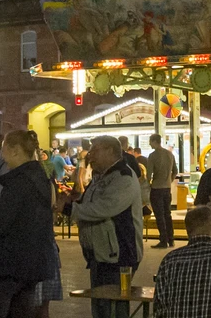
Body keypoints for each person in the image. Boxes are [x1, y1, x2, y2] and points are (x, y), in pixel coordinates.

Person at [0, 130, 59, 318]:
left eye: (4, 149)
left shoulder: (18, 182)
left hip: (7, 265)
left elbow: (0, 226)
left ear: (14, 151)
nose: (2, 156)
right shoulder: (42, 177)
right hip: (32, 264)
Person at [71, 135, 143, 318]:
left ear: (110, 151)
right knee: (101, 307)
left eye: (95, 150)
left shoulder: (123, 177)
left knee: (112, 309)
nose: (91, 155)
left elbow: (103, 208)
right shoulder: (101, 176)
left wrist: (70, 209)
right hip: (101, 255)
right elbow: (88, 202)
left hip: (119, 256)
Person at [146, 134, 177, 249]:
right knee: (167, 214)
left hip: (156, 188)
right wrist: (170, 180)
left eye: (150, 141)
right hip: (167, 188)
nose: (149, 144)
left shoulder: (152, 156)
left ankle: (163, 240)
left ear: (154, 141)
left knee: (159, 215)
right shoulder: (170, 154)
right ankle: (171, 239)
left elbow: (148, 175)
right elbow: (175, 171)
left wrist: (149, 184)